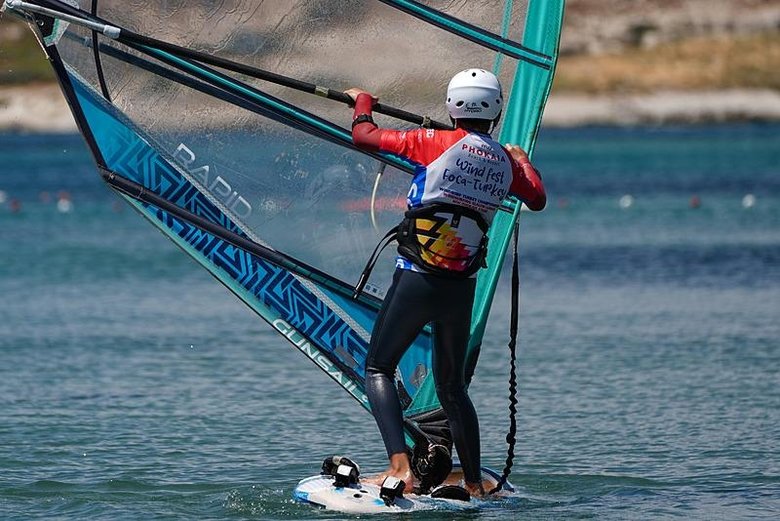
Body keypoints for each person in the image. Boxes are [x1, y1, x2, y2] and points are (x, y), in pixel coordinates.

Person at [345, 68, 546, 497]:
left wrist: (364, 101)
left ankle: (399, 468)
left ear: (452, 106)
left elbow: (364, 137)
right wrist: (520, 157)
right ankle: (473, 483)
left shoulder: (433, 143)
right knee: (452, 387)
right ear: (495, 112)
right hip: (461, 287)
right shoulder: (505, 163)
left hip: (418, 277)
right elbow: (537, 197)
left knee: (378, 367)